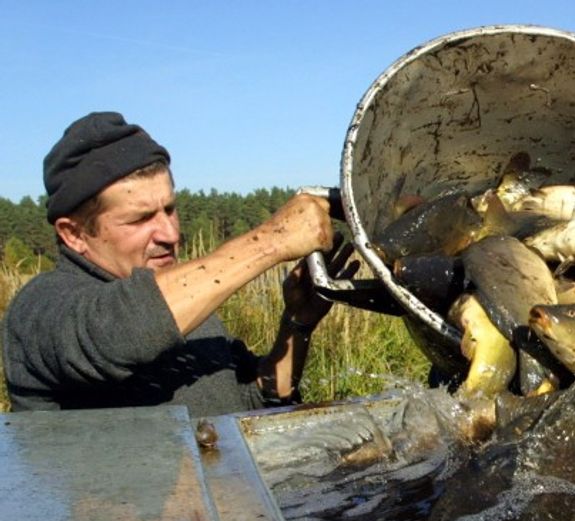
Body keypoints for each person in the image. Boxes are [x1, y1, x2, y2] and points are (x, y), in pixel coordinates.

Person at [1, 111, 353, 417]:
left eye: (170, 209)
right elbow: (118, 335)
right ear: (74, 234)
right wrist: (272, 239)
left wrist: (296, 324)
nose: (170, 233)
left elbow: (253, 404)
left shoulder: (188, 311)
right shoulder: (40, 309)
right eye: (141, 219)